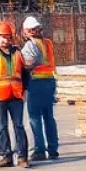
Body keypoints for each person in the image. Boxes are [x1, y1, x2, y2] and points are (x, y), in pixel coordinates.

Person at [0, 20, 30, 168]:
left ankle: (22, 157)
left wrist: (25, 90)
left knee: (19, 126)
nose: (2, 40)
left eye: (5, 37)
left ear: (11, 38)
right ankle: (6, 156)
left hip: (16, 96)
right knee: (2, 126)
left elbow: (25, 73)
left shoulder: (18, 53)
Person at [20, 16, 58, 162]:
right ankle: (53, 149)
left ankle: (39, 150)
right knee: (48, 116)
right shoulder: (47, 43)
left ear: (28, 31)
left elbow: (28, 63)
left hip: (36, 82)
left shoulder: (30, 45)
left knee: (35, 117)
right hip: (49, 81)